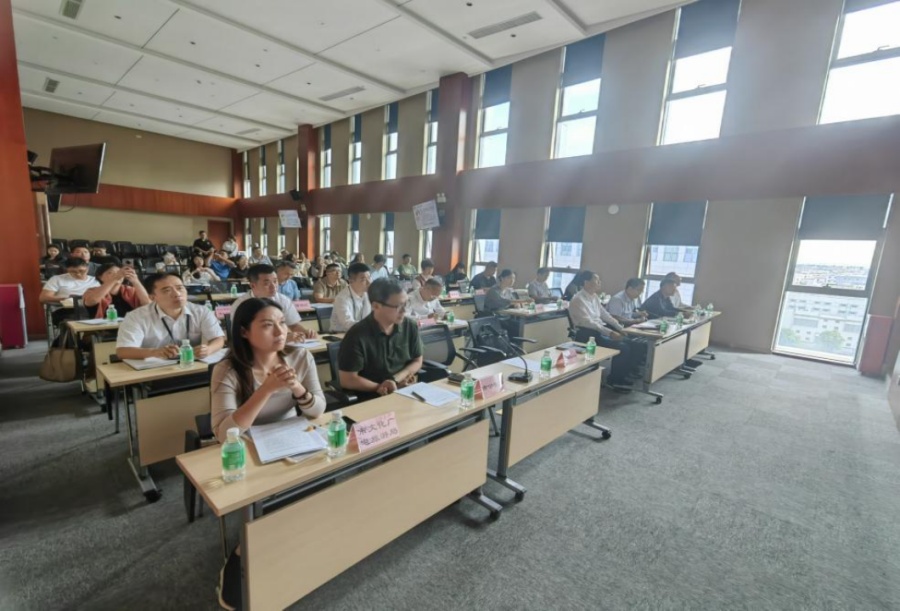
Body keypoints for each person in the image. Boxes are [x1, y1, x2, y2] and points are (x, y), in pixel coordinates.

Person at [210, 297, 326, 442]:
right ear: (244, 332)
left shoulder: (301, 357)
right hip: (247, 443)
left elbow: (318, 411)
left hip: (291, 435)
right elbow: (223, 434)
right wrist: (266, 389)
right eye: (267, 325)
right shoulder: (226, 370)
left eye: (282, 322)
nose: (280, 331)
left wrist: (297, 387)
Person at [338, 278, 423, 402]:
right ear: (376, 306)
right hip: (371, 398)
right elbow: (347, 380)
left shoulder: (410, 326)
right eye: (398, 306)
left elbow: (417, 360)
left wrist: (396, 379)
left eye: (406, 304)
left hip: (404, 391)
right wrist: (380, 387)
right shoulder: (356, 335)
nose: (404, 310)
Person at [115, 273, 226, 360]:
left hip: (190, 365)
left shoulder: (201, 311)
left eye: (180, 288)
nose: (177, 294)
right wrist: (155, 352)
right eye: (167, 290)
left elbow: (218, 339)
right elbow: (123, 351)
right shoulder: (136, 317)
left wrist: (209, 349)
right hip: (153, 371)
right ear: (152, 297)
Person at [569, 272, 642, 388]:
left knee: (632, 343)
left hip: (599, 330)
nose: (600, 283)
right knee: (623, 347)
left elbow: (606, 315)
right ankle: (614, 380)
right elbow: (589, 323)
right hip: (587, 334)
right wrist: (610, 332)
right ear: (586, 283)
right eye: (597, 280)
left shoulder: (594, 296)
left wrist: (620, 328)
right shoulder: (578, 299)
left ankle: (624, 374)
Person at [232, 265, 317, 341]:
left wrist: (305, 332)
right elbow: (241, 335)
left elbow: (293, 325)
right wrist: (282, 338)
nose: (273, 287)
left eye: (275, 281)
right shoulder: (241, 304)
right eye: (267, 283)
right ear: (253, 286)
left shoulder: (283, 300)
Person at [40, 257, 101, 324]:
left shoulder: (96, 280)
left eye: (81, 271)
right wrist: (67, 299)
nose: (78, 274)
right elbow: (43, 298)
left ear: (87, 268)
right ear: (67, 270)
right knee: (80, 319)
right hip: (66, 310)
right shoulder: (57, 279)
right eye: (73, 272)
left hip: (93, 308)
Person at [82, 263, 151, 319]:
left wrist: (135, 281)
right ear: (100, 277)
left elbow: (148, 304)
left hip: (131, 326)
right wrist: (115, 279)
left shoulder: (131, 290)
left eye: (119, 272)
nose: (117, 275)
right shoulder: (92, 291)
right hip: (103, 329)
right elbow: (92, 301)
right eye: (110, 273)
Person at [330, 262, 372, 332]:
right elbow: (347, 323)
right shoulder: (342, 298)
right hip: (341, 334)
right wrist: (372, 326)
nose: (369, 282)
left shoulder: (369, 295)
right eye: (363, 280)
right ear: (351, 281)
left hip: (362, 333)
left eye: (369, 277)